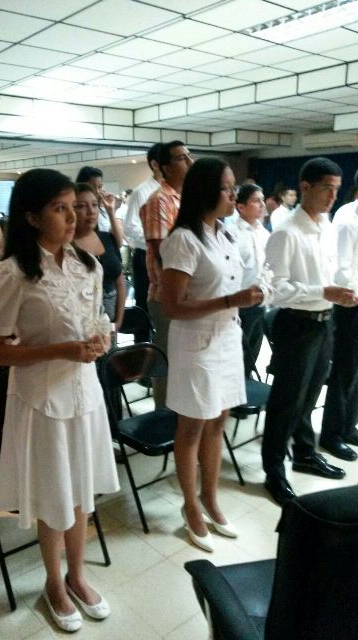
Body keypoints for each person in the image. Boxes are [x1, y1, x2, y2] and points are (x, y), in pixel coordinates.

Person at [0, 169, 119, 633]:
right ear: (32, 217)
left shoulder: (89, 265)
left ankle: (77, 575)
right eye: (60, 209)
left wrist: (99, 341)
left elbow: (93, 323)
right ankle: (53, 583)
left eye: (75, 207)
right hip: (42, 400)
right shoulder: (12, 274)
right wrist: (62, 350)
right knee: (55, 495)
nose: (73, 217)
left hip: (85, 394)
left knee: (81, 491)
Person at [160, 157, 263, 552]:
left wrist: (248, 296)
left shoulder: (226, 233)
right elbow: (172, 306)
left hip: (226, 338)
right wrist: (231, 300)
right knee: (192, 427)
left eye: (234, 186)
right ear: (204, 191)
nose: (233, 194)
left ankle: (211, 498)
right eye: (226, 187)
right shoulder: (184, 239)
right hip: (196, 343)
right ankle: (190, 506)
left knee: (218, 420)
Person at [262, 157, 357, 506]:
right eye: (326, 189)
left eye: (337, 189)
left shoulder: (326, 226)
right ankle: (274, 471)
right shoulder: (287, 231)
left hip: (325, 321)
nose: (333, 196)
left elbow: (331, 274)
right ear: (305, 187)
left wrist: (342, 293)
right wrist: (322, 291)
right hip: (296, 325)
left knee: (310, 395)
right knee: (285, 403)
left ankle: (304, 453)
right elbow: (274, 291)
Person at [140, 140, 193, 408]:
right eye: (182, 158)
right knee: (169, 364)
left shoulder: (189, 199)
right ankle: (164, 418)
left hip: (191, 295)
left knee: (187, 364)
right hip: (168, 296)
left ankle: (183, 417)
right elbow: (163, 251)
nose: (190, 162)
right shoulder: (159, 201)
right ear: (164, 167)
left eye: (189, 156)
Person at [320, 181, 358, 461]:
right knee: (345, 371)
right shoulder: (348, 219)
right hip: (350, 305)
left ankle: (347, 426)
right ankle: (331, 434)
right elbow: (342, 271)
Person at [73, 183, 126, 331]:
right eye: (81, 206)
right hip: (80, 326)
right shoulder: (66, 246)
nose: (91, 211)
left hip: (110, 323)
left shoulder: (107, 238)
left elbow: (120, 282)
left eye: (95, 205)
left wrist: (118, 321)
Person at [124, 143, 162, 339]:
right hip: (146, 256)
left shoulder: (178, 192)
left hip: (169, 258)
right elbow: (130, 226)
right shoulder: (142, 192)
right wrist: (157, 240)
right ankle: (142, 351)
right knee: (145, 308)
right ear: (155, 164)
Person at [232, 183, 269, 376]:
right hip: (239, 302)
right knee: (236, 355)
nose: (262, 204)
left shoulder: (264, 233)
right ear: (241, 207)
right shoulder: (231, 233)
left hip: (261, 301)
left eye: (262, 200)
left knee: (252, 353)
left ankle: (247, 386)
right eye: (256, 201)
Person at [75, 166, 123, 247]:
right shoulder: (77, 212)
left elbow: (118, 243)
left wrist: (111, 212)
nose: (97, 191)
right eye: (92, 187)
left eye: (100, 187)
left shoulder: (103, 211)